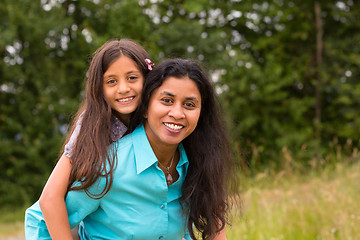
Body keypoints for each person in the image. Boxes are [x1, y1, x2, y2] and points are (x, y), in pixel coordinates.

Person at [25, 59, 236, 239]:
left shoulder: (198, 163)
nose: (178, 113)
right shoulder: (108, 166)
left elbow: (215, 230)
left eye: (189, 105)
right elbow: (40, 219)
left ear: (200, 114)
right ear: (145, 107)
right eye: (166, 100)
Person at [25, 39, 154, 240]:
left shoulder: (156, 120)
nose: (123, 88)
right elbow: (50, 198)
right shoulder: (92, 125)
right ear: (99, 88)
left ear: (148, 79)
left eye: (132, 78)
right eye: (111, 81)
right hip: (53, 227)